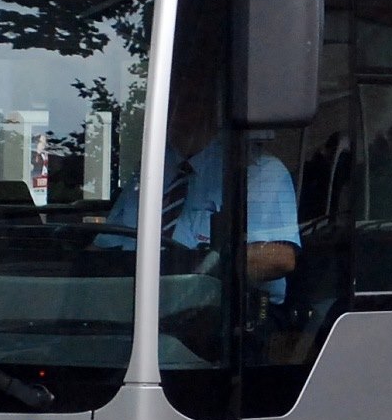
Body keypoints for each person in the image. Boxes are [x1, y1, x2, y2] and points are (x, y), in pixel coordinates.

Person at [106, 66, 300, 299]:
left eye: (189, 102)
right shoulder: (151, 168)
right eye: (170, 102)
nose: (177, 112)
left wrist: (195, 268)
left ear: (216, 111)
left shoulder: (260, 172)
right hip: (135, 303)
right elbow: (104, 245)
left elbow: (280, 258)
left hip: (224, 312)